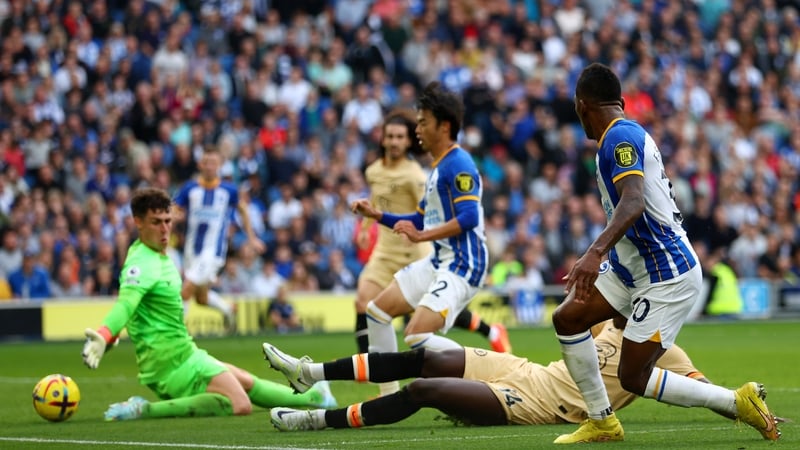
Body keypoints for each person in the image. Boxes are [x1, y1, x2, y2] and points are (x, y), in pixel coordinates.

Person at [549, 63, 779, 443]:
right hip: (631, 267)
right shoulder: (620, 134)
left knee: (632, 377)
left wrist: (594, 252)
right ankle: (602, 421)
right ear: (620, 101)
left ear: (581, 106)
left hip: (665, 272)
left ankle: (739, 402)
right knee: (569, 318)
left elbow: (634, 201)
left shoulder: (619, 137)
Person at [80, 187, 336, 421]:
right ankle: (144, 409)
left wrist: (115, 336)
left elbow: (140, 310)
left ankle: (315, 398)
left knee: (245, 380)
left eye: (168, 221)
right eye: (156, 223)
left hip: (185, 354)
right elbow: (126, 303)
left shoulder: (162, 256)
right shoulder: (142, 263)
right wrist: (105, 333)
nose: (164, 229)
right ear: (137, 222)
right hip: (170, 365)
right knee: (240, 404)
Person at [262, 318, 780, 431]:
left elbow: (704, 387)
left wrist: (740, 402)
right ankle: (311, 372)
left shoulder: (665, 349)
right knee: (426, 356)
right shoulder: (607, 315)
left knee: (423, 390)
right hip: (525, 369)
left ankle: (318, 422)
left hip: (538, 406)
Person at [350, 82, 489, 396]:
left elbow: (469, 218)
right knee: (376, 311)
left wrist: (422, 235)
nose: (418, 130)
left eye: (423, 122)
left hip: (464, 264)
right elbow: (417, 219)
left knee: (415, 335)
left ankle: (484, 377)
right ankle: (388, 396)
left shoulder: (460, 164)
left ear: (444, 126)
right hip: (440, 260)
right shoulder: (436, 170)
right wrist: (376, 216)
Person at [173, 146, 265, 333]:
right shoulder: (190, 188)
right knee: (201, 298)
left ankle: (176, 335)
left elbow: (243, 210)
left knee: (186, 288)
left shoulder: (228, 190)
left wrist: (252, 238)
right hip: (191, 250)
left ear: (220, 165)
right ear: (200, 164)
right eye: (206, 162)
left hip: (213, 251)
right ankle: (228, 310)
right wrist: (176, 216)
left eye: (214, 163)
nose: (209, 166)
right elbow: (175, 208)